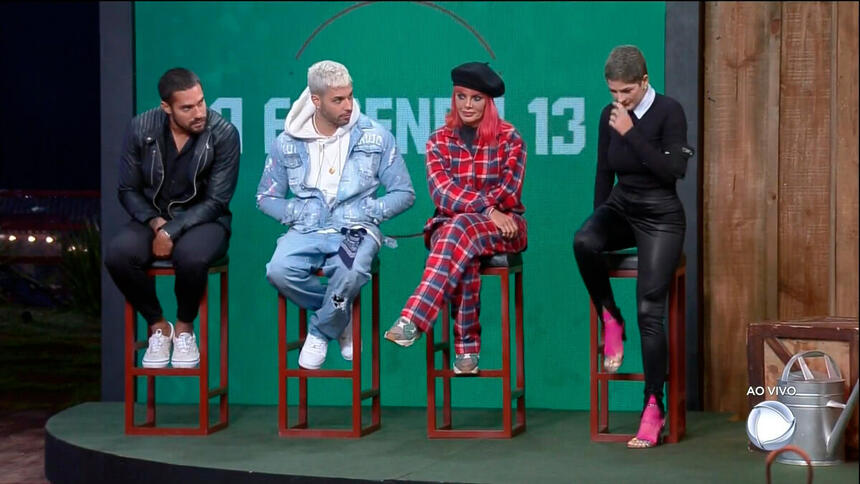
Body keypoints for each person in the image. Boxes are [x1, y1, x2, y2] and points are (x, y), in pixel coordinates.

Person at [573, 45, 694, 448]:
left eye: (626, 92)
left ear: (644, 81)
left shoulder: (669, 111)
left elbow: (672, 171)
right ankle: (610, 318)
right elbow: (603, 172)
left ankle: (653, 406)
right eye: (613, 93)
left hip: (661, 216)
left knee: (650, 309)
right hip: (622, 206)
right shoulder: (609, 117)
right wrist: (598, 221)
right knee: (584, 241)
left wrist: (632, 132)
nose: (619, 100)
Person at [258, 60, 415, 370]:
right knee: (278, 270)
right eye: (338, 99)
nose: (348, 105)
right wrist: (295, 211)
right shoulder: (286, 142)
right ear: (316, 101)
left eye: (350, 96)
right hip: (306, 230)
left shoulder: (375, 136)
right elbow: (266, 197)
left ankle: (319, 332)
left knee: (350, 270)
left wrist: (370, 211)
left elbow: (404, 193)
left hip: (354, 229)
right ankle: (338, 316)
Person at [384, 62, 527, 375]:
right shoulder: (438, 140)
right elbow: (442, 194)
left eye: (475, 98)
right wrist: (487, 209)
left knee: (458, 228)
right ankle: (466, 350)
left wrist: (489, 210)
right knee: (461, 238)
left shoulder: (510, 139)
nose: (467, 105)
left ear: (488, 103)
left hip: (505, 228)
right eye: (461, 97)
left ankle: (415, 319)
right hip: (456, 229)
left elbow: (508, 192)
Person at [105, 67, 240, 369]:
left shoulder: (224, 134)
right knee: (118, 255)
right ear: (166, 108)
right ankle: (158, 326)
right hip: (152, 218)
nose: (199, 113)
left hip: (205, 220)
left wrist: (172, 231)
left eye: (201, 103)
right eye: (187, 107)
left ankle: (183, 327)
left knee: (192, 257)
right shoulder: (141, 128)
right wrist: (156, 224)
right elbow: (127, 189)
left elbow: (217, 200)